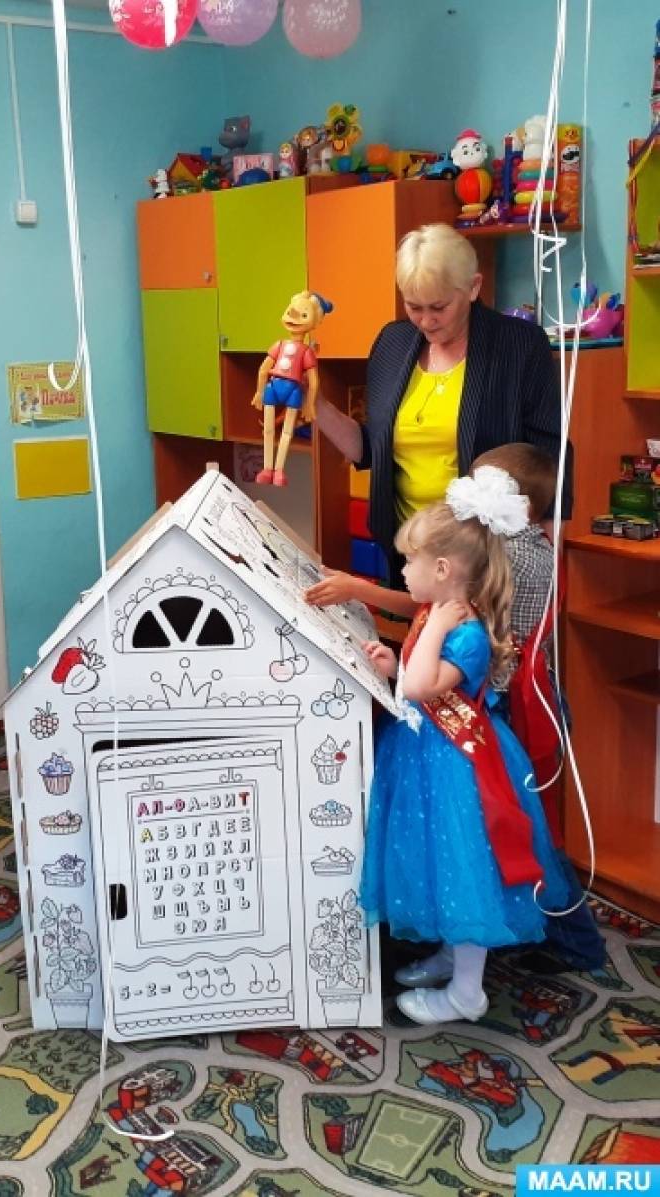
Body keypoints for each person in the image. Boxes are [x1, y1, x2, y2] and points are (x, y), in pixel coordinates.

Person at [360, 467, 573, 1025]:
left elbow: (423, 687)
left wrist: (424, 644)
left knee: (465, 872)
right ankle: (452, 955)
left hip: (459, 767)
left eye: (409, 561)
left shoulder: (467, 631)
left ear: (442, 569)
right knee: (439, 866)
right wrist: (394, 663)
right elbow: (417, 678)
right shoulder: (436, 616)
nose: (402, 571)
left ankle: (465, 993)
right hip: (429, 755)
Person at [305, 222, 569, 613]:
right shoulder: (392, 344)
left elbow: (552, 455)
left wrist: (548, 558)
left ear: (474, 287)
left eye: (439, 307)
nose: (426, 321)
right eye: (414, 307)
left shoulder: (518, 345)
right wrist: (315, 404)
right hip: (410, 551)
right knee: (416, 647)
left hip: (488, 555)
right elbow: (371, 450)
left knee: (468, 648)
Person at [466, 443, 607, 972]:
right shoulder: (522, 546)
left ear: (518, 505)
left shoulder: (512, 557)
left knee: (533, 827)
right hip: (522, 696)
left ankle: (576, 943)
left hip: (518, 704)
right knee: (522, 821)